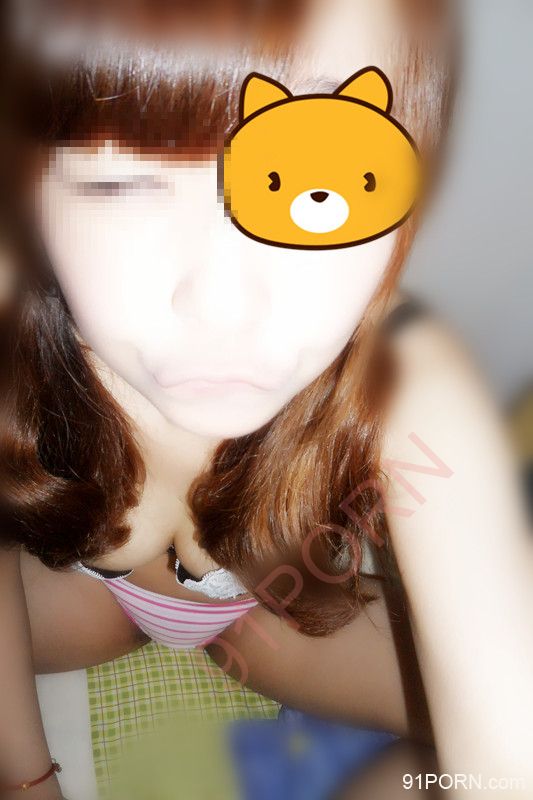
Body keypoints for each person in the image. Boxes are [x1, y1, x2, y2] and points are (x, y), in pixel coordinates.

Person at [1, 1, 531, 798]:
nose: (224, 302)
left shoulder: (409, 382)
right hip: (75, 604)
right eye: (119, 182)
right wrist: (28, 782)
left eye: (322, 183)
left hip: (266, 623)